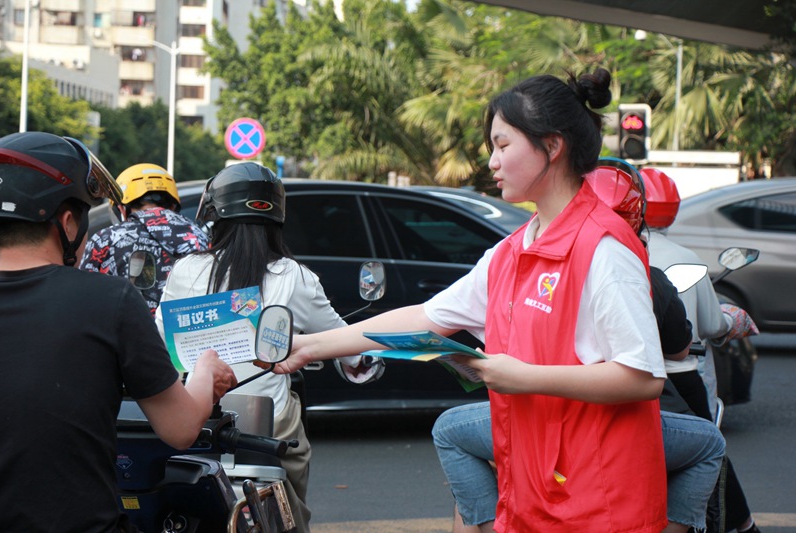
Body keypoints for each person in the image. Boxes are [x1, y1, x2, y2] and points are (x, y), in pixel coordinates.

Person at [273, 69, 668, 531]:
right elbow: (427, 317)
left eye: (503, 146)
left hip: (599, 503)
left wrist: (522, 376)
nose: (492, 163)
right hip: (535, 491)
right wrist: (311, 345)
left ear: (552, 146)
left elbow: (642, 378)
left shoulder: (604, 249)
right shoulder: (512, 250)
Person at [432, 166, 727, 533]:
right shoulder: (529, 256)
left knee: (450, 431)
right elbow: (674, 354)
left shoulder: (585, 258)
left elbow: (637, 374)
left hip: (551, 418)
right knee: (710, 442)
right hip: (565, 423)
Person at [0, 131, 237, 532]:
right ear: (67, 222)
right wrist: (206, 370)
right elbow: (179, 430)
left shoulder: (109, 265)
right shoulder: (109, 301)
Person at [154, 162, 378, 533]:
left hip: (196, 415)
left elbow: (160, 342)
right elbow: (342, 341)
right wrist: (358, 360)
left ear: (214, 215)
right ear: (277, 219)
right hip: (268, 424)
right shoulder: (296, 276)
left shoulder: (186, 270)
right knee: (293, 511)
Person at [642, 167, 761, 533]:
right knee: (710, 452)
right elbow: (711, 326)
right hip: (682, 380)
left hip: (624, 376)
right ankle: (741, 526)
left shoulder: (611, 252)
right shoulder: (686, 258)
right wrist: (731, 321)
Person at [79, 163, 208, 314]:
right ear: (173, 206)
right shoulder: (200, 236)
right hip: (188, 334)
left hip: (125, 335)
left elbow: (83, 298)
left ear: (121, 209)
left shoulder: (105, 240)